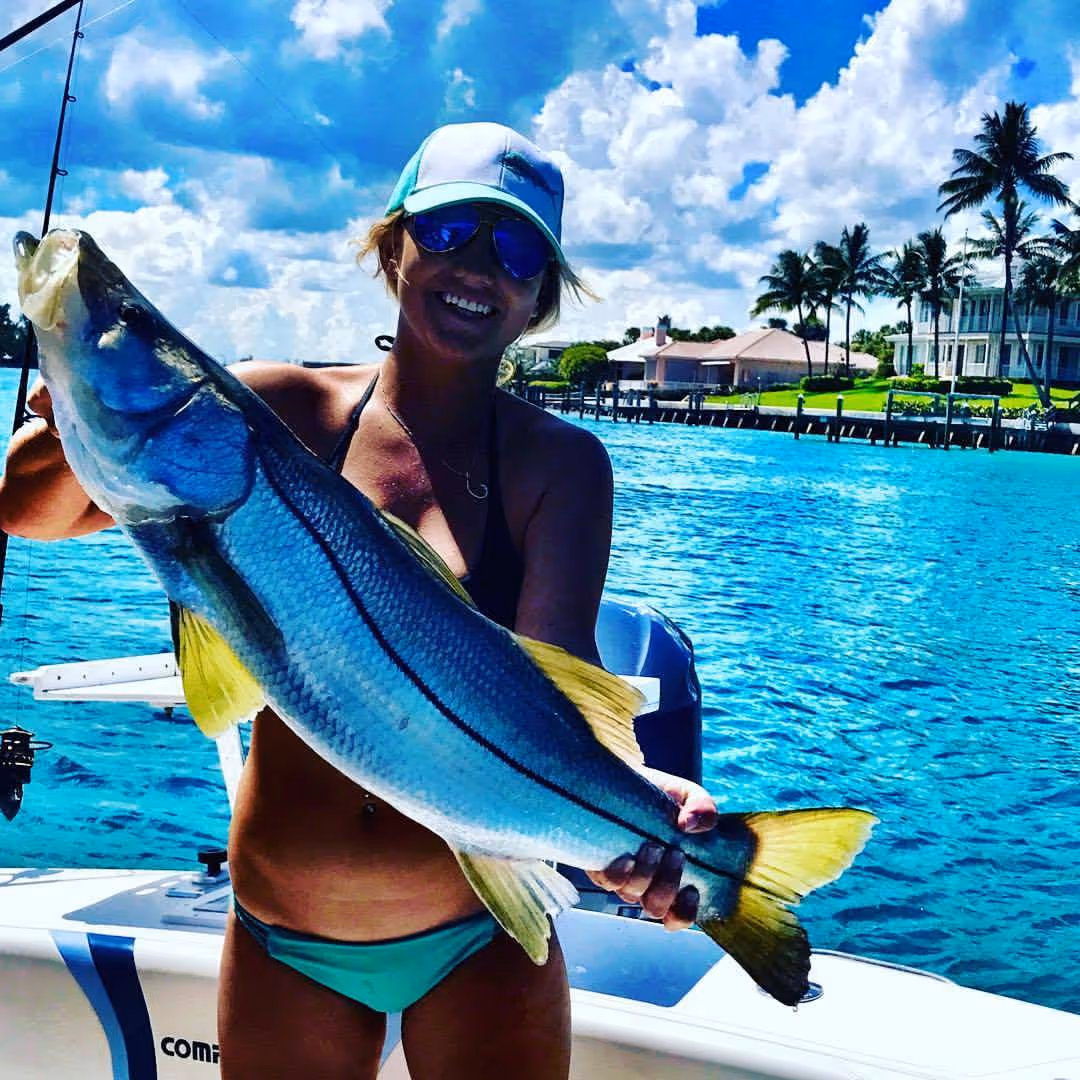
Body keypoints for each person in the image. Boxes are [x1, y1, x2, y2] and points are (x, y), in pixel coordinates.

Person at [0, 121, 717, 1078]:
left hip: (482, 932)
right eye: (452, 230)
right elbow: (26, 511)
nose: (478, 266)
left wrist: (640, 810)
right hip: (285, 936)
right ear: (393, 242)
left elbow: (562, 684)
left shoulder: (563, 467)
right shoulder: (277, 408)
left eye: (515, 250)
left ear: (541, 294)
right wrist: (75, 397)